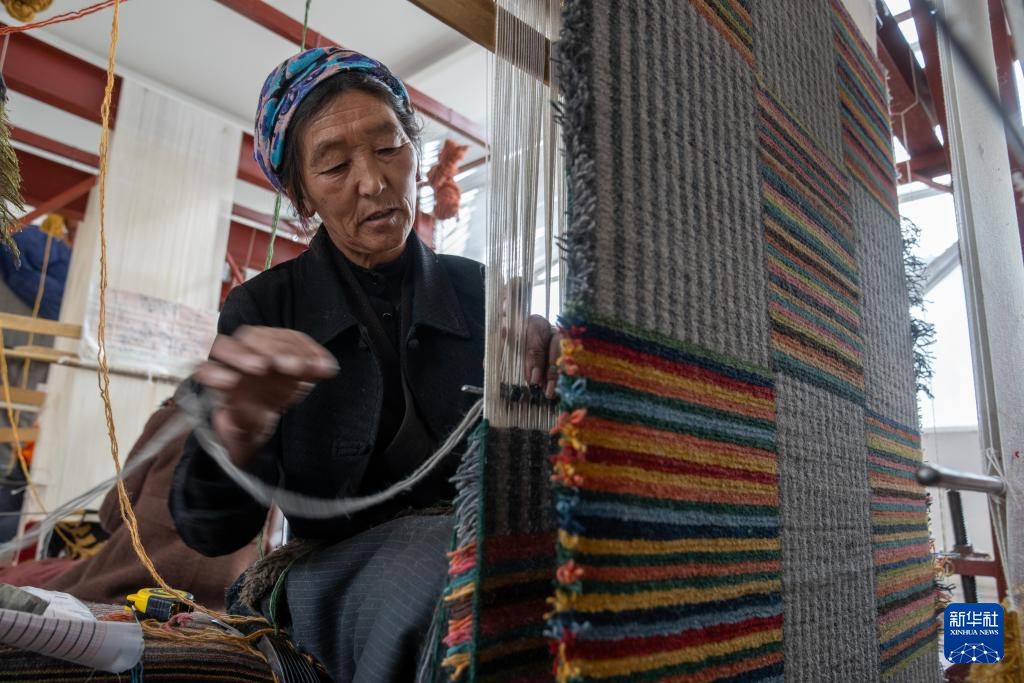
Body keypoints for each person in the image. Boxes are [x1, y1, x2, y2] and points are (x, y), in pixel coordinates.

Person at [169, 48, 559, 682]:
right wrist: (237, 431)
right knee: (447, 575)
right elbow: (209, 531)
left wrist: (559, 380)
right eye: (334, 165)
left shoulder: (479, 291)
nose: (374, 181)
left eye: (388, 147)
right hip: (338, 573)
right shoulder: (266, 307)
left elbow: (539, 452)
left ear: (414, 150)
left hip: (476, 546)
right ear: (302, 197)